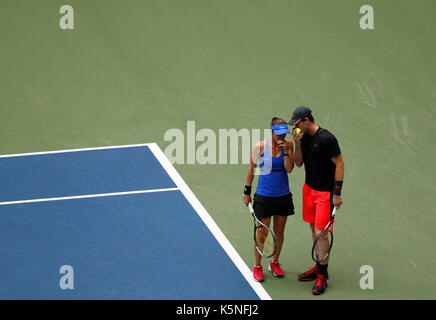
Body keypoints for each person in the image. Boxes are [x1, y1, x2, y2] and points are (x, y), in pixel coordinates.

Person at [288, 106, 344, 295]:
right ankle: (318, 265)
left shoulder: (327, 138)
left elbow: (340, 164)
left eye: (297, 124)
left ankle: (322, 276)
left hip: (324, 194)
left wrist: (336, 193)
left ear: (306, 120)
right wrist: (297, 143)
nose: (295, 128)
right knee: (313, 230)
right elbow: (298, 163)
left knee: (322, 233)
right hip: (308, 190)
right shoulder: (303, 137)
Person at [242, 117, 295, 282]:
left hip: (283, 195)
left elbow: (290, 169)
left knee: (279, 231)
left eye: (283, 134)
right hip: (264, 195)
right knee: (262, 232)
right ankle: (257, 266)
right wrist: (246, 192)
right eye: (277, 134)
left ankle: (274, 262)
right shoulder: (260, 147)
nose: (280, 137)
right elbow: (251, 169)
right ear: (271, 132)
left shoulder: (289, 145)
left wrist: (286, 151)